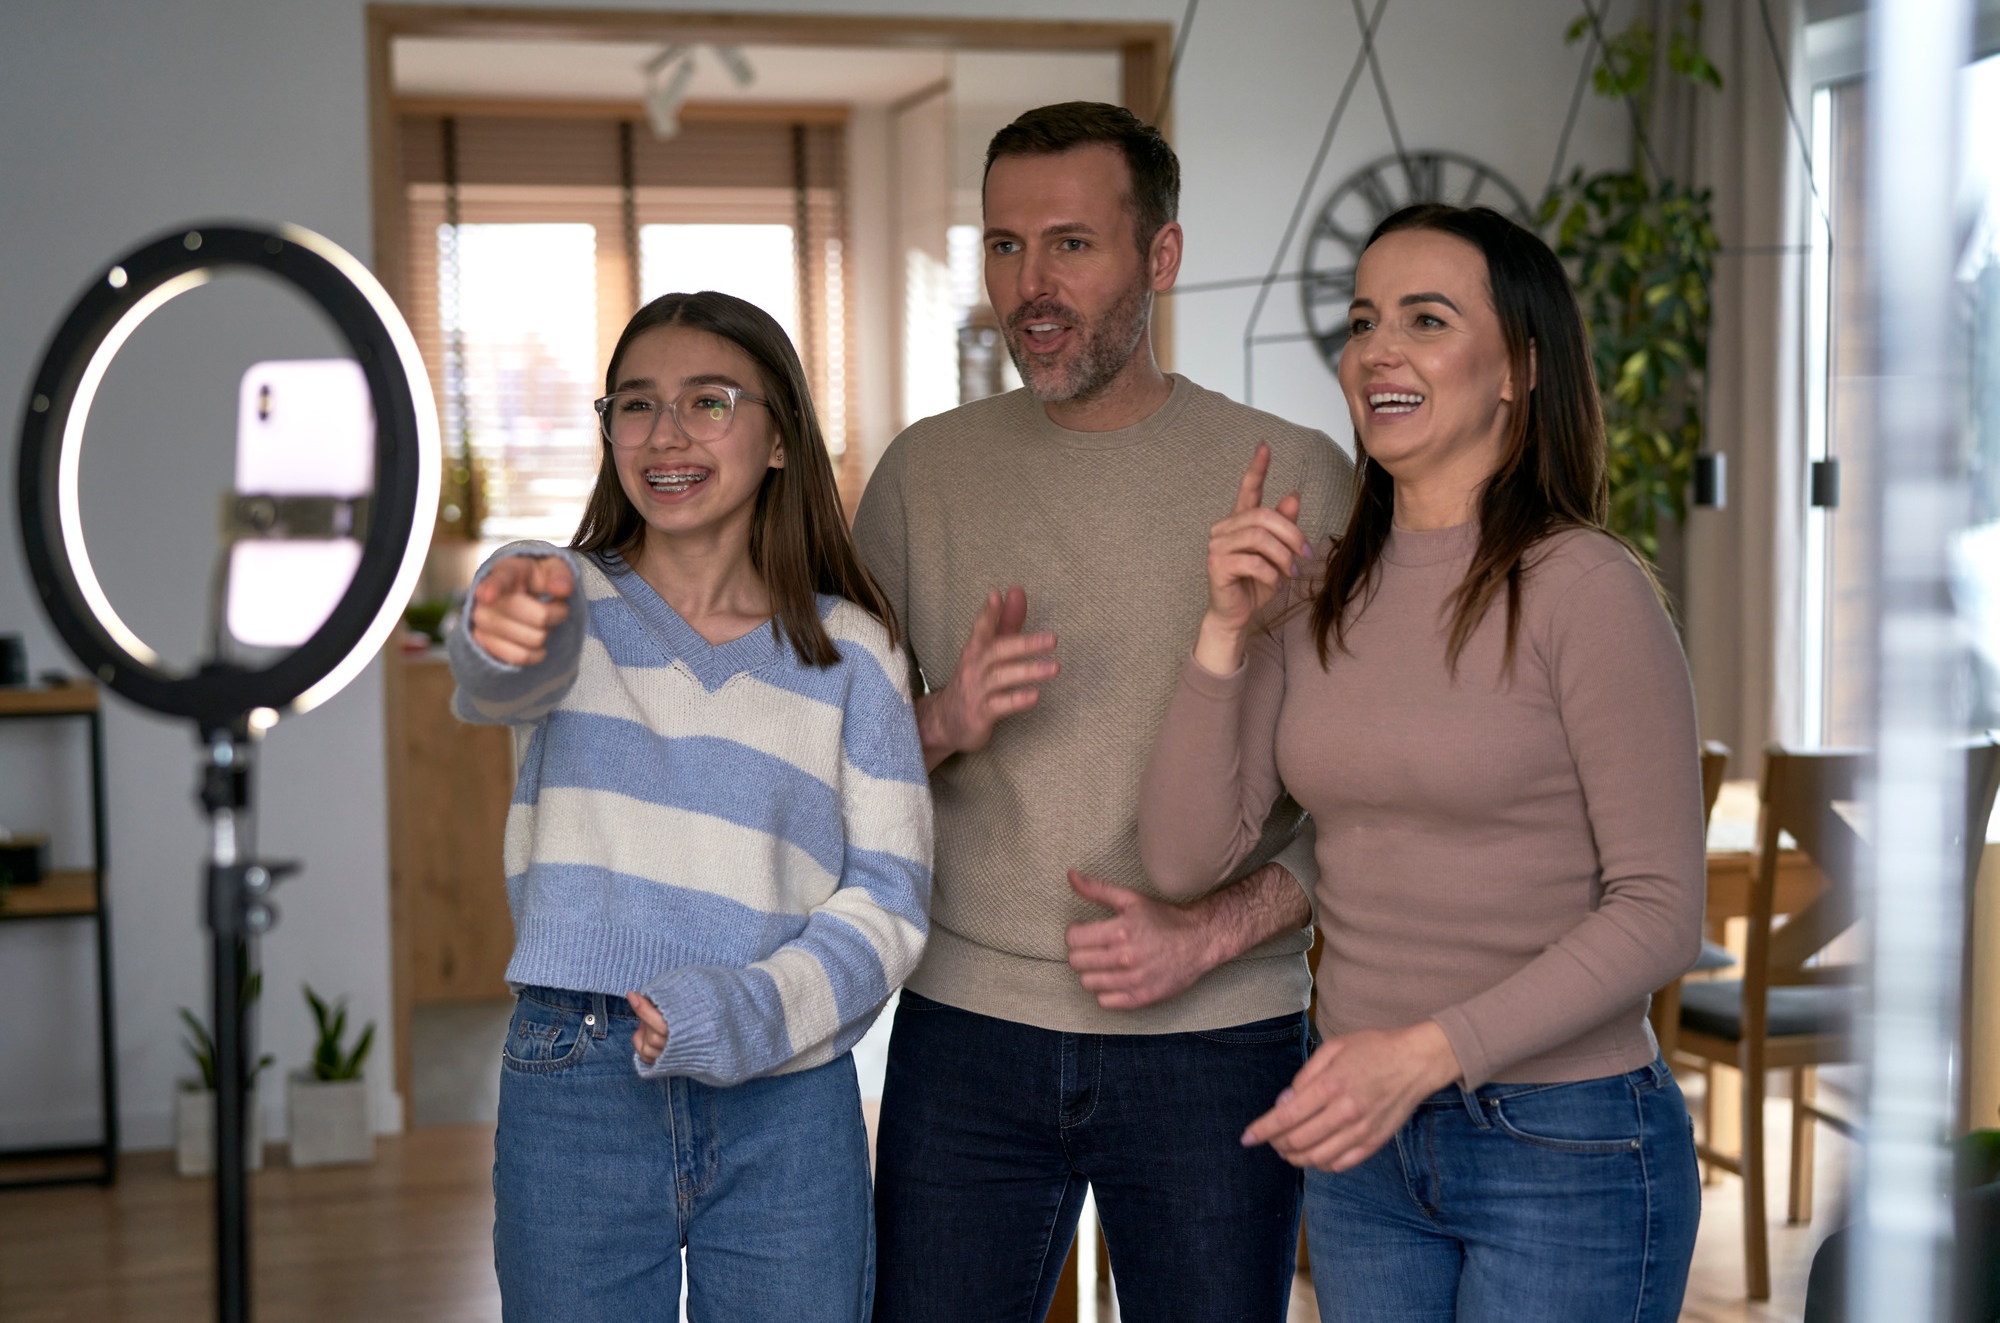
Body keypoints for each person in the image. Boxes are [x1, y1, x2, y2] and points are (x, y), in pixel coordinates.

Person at [1139, 201, 1705, 1320]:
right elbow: (1179, 859)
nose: (1377, 350)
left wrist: (1422, 1055)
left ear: (1518, 369)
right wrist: (1220, 632)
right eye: (1361, 321)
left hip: (1562, 1140)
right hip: (1364, 1139)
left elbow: (1658, 912)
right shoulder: (1315, 586)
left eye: (1425, 318)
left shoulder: (1584, 589)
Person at [854, 101, 1355, 1321]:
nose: (1028, 284)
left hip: (1219, 1035)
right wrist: (939, 721)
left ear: (1160, 258)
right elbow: (826, 756)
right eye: (1003, 246)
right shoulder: (921, 475)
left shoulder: (1296, 477)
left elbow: (1369, 805)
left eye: (1070, 244)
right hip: (965, 1033)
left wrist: (1210, 934)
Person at [449, 291, 931, 1323]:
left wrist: (748, 1010)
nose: (663, 434)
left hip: (787, 1093)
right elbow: (499, 660)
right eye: (633, 405)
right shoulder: (563, 601)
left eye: (707, 401)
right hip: (573, 1076)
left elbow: (890, 902)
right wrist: (495, 620)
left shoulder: (853, 652)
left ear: (776, 440)